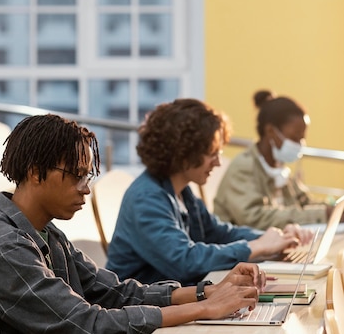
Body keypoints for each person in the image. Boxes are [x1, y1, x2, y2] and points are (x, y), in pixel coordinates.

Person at [0, 113, 265, 334]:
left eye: (87, 177)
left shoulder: (46, 233)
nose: (85, 190)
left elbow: (117, 293)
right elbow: (89, 328)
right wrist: (205, 309)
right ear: (36, 173)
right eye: (77, 176)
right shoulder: (6, 248)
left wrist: (207, 292)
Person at [106, 98, 308, 287]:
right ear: (184, 153)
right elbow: (185, 261)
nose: (218, 162)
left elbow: (219, 233)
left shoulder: (182, 193)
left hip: (169, 303)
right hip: (139, 315)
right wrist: (256, 247)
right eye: (212, 154)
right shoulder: (146, 198)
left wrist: (274, 238)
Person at [213, 89, 336, 229]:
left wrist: (335, 210)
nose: (299, 144)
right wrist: (324, 214)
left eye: (302, 139)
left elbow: (304, 203)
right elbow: (255, 218)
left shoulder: (280, 169)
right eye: (294, 138)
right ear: (270, 131)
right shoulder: (243, 167)